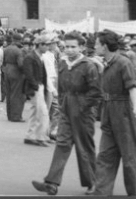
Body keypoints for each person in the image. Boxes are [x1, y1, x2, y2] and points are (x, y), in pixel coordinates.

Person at [31, 32, 102, 195]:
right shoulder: (62, 63)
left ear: (82, 47)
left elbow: (96, 92)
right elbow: (61, 87)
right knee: (62, 144)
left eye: (73, 47)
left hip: (83, 112)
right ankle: (52, 182)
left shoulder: (88, 65)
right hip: (66, 109)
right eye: (66, 47)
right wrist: (63, 103)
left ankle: (93, 182)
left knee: (84, 148)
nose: (69, 50)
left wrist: (82, 107)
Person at [92, 30, 136, 196]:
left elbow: (133, 86)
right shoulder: (106, 63)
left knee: (130, 157)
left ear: (105, 46)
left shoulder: (123, 62)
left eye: (97, 44)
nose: (94, 46)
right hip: (108, 110)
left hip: (124, 111)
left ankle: (135, 194)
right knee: (105, 155)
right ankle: (102, 192)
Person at [23, 34, 51, 147]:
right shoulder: (30, 57)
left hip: (38, 86)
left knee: (35, 112)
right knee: (43, 113)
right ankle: (40, 136)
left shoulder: (38, 56)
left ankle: (30, 135)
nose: (48, 48)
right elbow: (29, 74)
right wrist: (36, 86)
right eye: (46, 45)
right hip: (35, 87)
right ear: (40, 45)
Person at [3, 33, 26, 122]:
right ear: (19, 40)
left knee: (9, 94)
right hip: (16, 72)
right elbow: (20, 64)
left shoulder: (6, 49)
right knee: (17, 95)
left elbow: (3, 61)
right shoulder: (18, 51)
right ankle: (16, 116)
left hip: (7, 71)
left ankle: (9, 115)